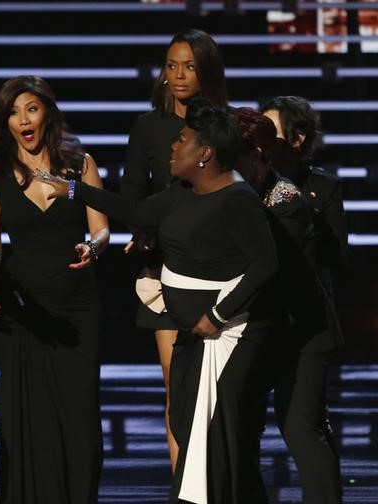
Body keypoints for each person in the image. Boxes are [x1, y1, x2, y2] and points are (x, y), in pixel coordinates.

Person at [37, 96, 277, 504]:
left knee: (210, 442)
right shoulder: (184, 190)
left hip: (226, 338)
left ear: (204, 153)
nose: (172, 146)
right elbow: (137, 209)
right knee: (185, 425)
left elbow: (265, 265)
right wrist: (74, 190)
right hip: (193, 333)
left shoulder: (237, 200)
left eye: (181, 140)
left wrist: (217, 315)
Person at [0, 75, 110, 504]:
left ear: (46, 111)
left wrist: (92, 247)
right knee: (26, 417)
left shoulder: (79, 165)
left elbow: (102, 229)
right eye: (13, 113)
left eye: (30, 109)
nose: (23, 120)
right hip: (23, 309)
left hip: (76, 306)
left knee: (79, 414)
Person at [119, 28, 227, 471]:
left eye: (189, 66)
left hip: (220, 273)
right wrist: (142, 227)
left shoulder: (226, 125)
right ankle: (182, 485)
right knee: (177, 387)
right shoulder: (147, 128)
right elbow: (130, 197)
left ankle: (220, 483)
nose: (179, 75)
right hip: (164, 270)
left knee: (219, 389)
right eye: (171, 65)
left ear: (207, 72)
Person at [235, 108, 344, 503]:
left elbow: (272, 266)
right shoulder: (238, 191)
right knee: (242, 426)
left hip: (302, 329)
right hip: (260, 328)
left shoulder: (289, 197)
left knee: (300, 425)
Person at [260, 96, 349, 299]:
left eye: (271, 132)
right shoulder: (248, 181)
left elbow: (337, 257)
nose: (263, 140)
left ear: (298, 139)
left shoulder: (324, 187)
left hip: (307, 299)